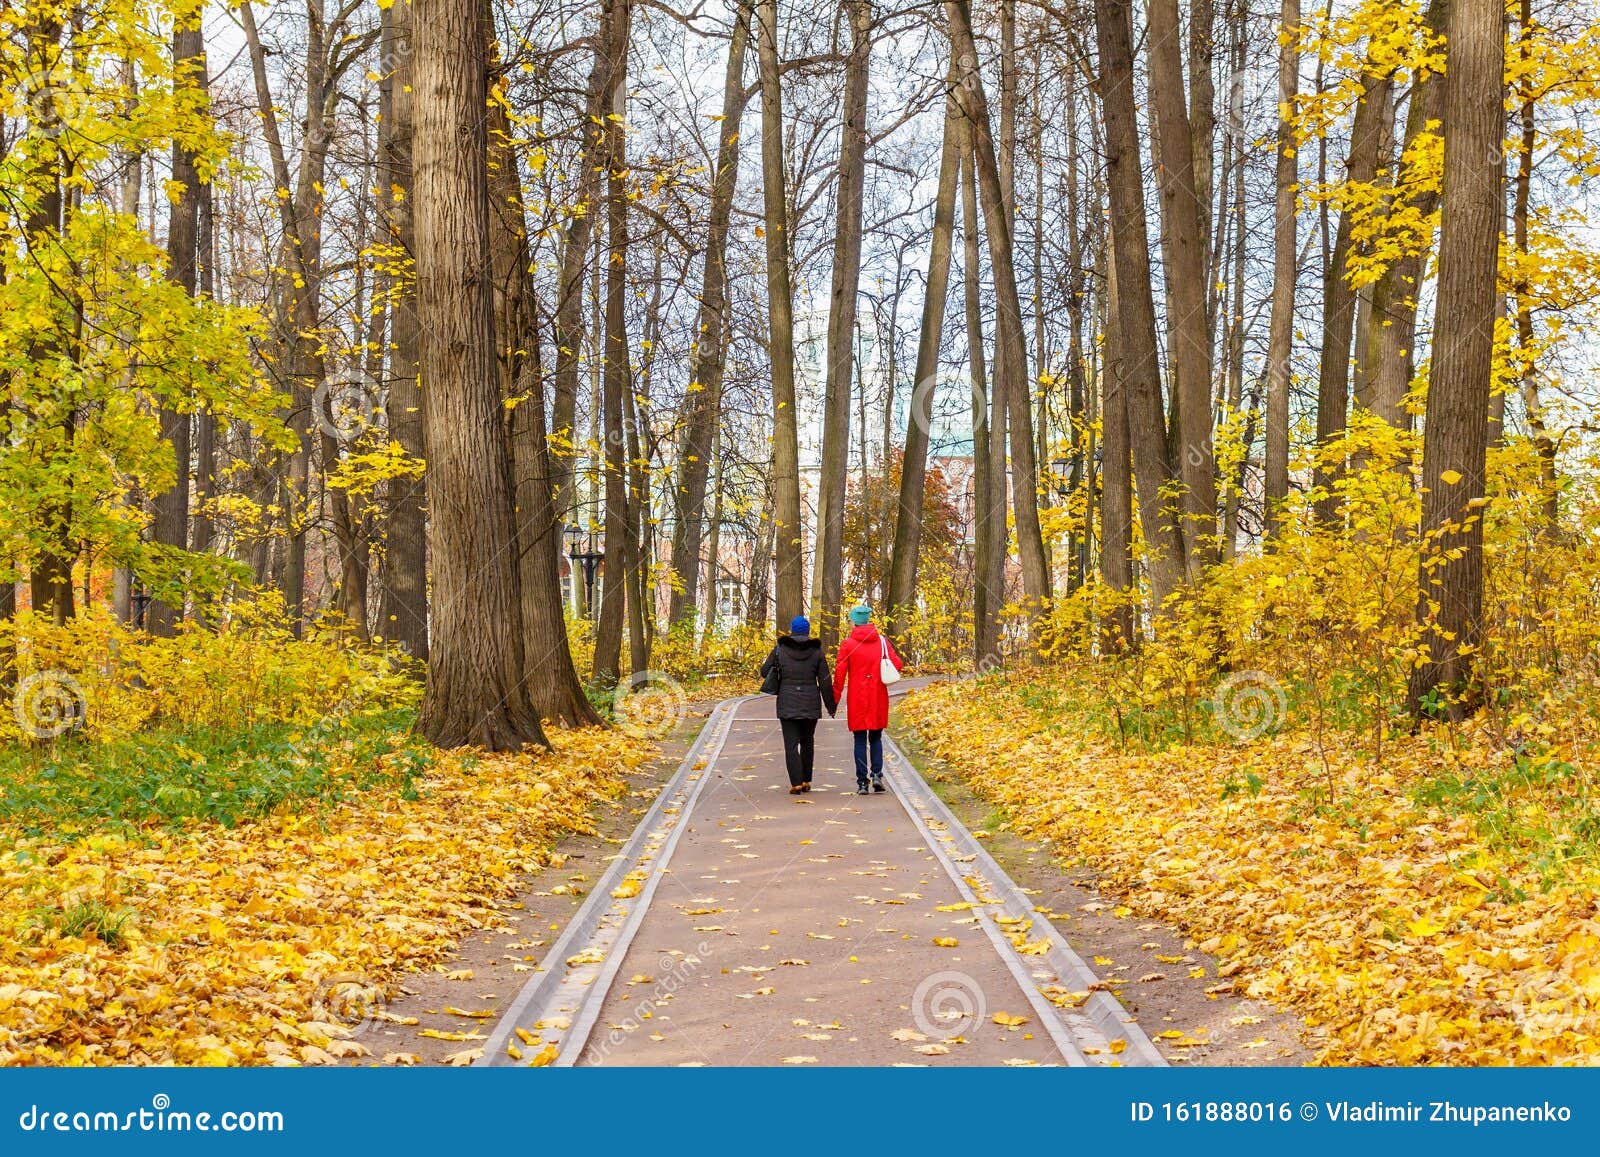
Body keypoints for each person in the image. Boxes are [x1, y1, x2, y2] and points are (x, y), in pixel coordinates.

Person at [759, 615, 837, 795]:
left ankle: (795, 783)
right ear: (807, 631)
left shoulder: (780, 649)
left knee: (791, 744)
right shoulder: (817, 652)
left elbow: (764, 672)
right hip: (810, 701)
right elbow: (825, 680)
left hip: (787, 701)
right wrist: (830, 705)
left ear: (792, 630)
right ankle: (806, 779)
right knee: (808, 742)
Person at [832, 604, 903, 796]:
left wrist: (834, 699)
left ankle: (862, 782)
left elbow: (839, 674)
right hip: (878, 695)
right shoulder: (881, 641)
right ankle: (877, 775)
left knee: (859, 739)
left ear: (854, 621)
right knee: (876, 737)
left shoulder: (848, 644)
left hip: (857, 697)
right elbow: (897, 664)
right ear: (868, 619)